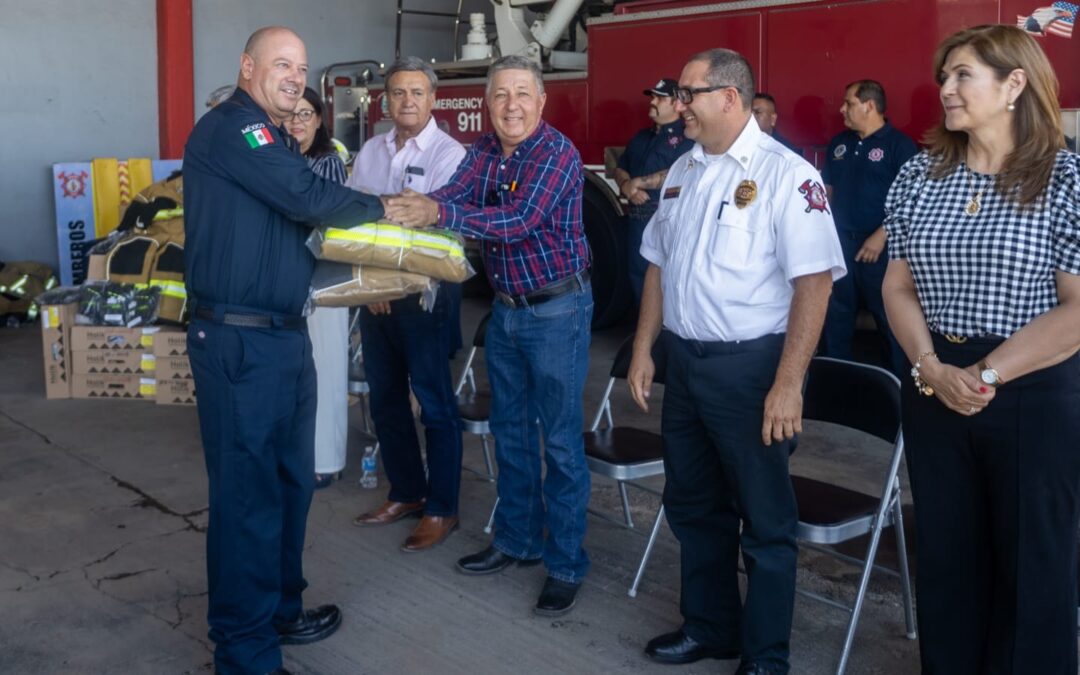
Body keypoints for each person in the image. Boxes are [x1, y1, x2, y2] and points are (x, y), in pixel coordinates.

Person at [628, 49, 844, 675]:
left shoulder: (785, 174)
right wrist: (644, 348)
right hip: (686, 368)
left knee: (766, 521)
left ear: (729, 97)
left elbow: (814, 285)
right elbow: (658, 265)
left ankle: (765, 655)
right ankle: (711, 627)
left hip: (752, 371)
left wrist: (788, 384)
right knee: (694, 506)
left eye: (688, 93)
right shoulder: (681, 171)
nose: (678, 105)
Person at [183, 26, 384, 675]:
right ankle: (244, 651)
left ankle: (279, 609)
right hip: (239, 342)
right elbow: (306, 197)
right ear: (247, 67)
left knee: (291, 485)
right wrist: (386, 207)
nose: (295, 76)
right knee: (247, 497)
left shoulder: (273, 139)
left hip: (283, 338)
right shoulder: (234, 129)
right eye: (281, 64)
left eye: (301, 67)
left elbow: (299, 207)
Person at [881, 24, 1080, 673]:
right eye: (945, 75)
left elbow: (1077, 309)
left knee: (1032, 563)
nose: (945, 88)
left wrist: (986, 373)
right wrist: (929, 365)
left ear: (1015, 83)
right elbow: (898, 284)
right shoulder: (919, 174)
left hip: (1031, 389)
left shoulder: (1065, 176)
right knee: (949, 557)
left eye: (963, 74)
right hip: (936, 380)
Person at [384, 55, 592, 617]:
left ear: (541, 102)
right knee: (512, 433)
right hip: (506, 311)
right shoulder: (481, 156)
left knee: (561, 442)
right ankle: (517, 541)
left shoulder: (557, 154)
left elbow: (518, 220)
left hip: (557, 310)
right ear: (487, 104)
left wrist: (437, 211)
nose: (511, 106)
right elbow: (452, 196)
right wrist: (428, 208)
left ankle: (566, 563)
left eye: (522, 94)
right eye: (500, 95)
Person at [347, 57, 467, 552]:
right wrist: (374, 286)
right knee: (386, 399)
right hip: (376, 299)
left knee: (435, 406)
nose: (408, 102)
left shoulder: (450, 153)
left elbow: (431, 229)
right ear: (385, 100)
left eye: (417, 93)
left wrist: (389, 277)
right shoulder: (371, 151)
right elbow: (352, 219)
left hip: (425, 296)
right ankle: (406, 493)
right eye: (398, 93)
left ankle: (442, 508)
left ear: (433, 99)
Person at [822, 80, 917, 376]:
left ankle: (900, 385)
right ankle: (834, 378)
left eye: (848, 103)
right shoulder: (839, 143)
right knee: (836, 313)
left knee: (890, 314)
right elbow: (828, 191)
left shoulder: (899, 146)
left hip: (882, 249)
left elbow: (913, 200)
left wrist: (881, 236)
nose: (842, 109)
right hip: (840, 244)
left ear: (869, 105)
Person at [287, 87, 349, 489]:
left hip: (324, 278)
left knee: (324, 370)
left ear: (319, 120)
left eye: (305, 114)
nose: (297, 122)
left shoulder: (326, 162)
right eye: (290, 115)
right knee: (296, 373)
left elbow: (311, 215)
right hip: (291, 279)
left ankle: (325, 461)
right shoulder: (280, 158)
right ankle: (298, 455)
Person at [614, 78, 694, 303]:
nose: (653, 101)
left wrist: (639, 182)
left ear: (677, 103)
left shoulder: (687, 139)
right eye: (652, 96)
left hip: (666, 222)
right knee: (639, 281)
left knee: (667, 284)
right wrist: (627, 186)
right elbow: (621, 168)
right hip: (637, 223)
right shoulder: (641, 137)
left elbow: (681, 173)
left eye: (660, 97)